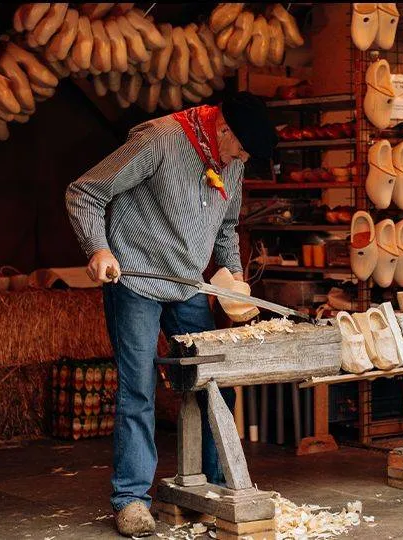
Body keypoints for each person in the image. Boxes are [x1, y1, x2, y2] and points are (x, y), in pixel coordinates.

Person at [65, 92, 276, 537]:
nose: (241, 159)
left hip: (187, 285)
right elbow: (84, 192)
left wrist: (234, 281)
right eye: (239, 149)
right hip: (136, 277)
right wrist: (98, 247)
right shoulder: (159, 140)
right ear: (222, 128)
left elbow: (226, 226)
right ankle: (131, 499)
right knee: (138, 388)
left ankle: (217, 486)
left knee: (212, 382)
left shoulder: (230, 158)